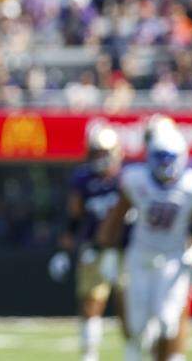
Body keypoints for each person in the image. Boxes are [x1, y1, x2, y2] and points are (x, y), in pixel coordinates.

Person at [97, 121, 192, 361]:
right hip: (140, 254)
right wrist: (108, 251)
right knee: (137, 322)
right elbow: (115, 219)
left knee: (167, 320)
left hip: (173, 255)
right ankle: (136, 354)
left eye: (169, 157)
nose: (164, 164)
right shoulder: (135, 179)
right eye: (159, 157)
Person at [49, 125, 124, 361]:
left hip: (125, 251)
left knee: (130, 308)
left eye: (103, 152)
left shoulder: (127, 179)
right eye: (95, 152)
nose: (98, 158)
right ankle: (89, 355)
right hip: (93, 250)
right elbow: (74, 217)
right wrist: (63, 251)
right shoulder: (83, 179)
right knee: (91, 303)